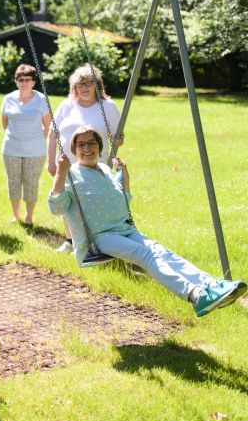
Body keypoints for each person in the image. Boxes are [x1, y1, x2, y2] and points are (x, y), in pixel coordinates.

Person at [48, 126, 246, 317]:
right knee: (145, 255)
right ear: (74, 150)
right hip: (99, 238)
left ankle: (212, 286)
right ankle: (196, 295)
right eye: (81, 144)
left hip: (123, 228)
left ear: (99, 146)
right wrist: (59, 173)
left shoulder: (104, 169)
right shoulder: (71, 175)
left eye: (91, 143)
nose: (87, 148)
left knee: (163, 252)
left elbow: (122, 200)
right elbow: (56, 208)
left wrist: (125, 177)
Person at [48, 64, 122, 252]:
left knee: (92, 203)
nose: (84, 88)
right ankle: (70, 241)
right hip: (67, 164)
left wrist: (118, 140)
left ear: (97, 86)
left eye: (89, 83)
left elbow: (116, 137)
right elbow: (52, 133)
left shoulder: (108, 107)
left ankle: (96, 241)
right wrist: (50, 161)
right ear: (74, 87)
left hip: (94, 164)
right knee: (67, 202)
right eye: (80, 84)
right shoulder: (66, 105)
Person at [0, 64, 51, 227]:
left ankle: (29, 217)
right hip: (11, 149)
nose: (23, 83)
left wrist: (33, 140)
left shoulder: (42, 100)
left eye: (27, 79)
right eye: (20, 80)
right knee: (13, 182)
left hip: (35, 151)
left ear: (33, 82)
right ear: (16, 82)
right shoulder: (8, 99)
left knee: (31, 183)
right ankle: (16, 216)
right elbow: (4, 123)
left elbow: (47, 126)